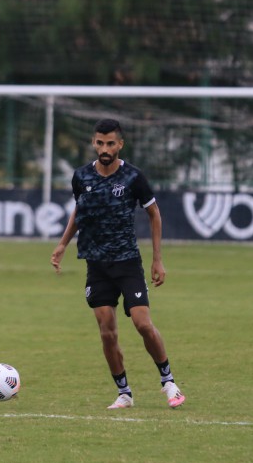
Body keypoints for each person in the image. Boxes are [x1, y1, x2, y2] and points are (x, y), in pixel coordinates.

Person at [50, 118, 186, 410]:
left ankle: (169, 382)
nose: (105, 148)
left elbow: (154, 214)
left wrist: (157, 259)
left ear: (120, 144)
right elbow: (80, 211)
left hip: (127, 262)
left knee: (142, 324)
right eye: (100, 143)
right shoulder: (81, 177)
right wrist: (62, 244)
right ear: (93, 143)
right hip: (96, 265)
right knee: (107, 331)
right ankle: (124, 393)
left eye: (111, 143)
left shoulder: (134, 177)